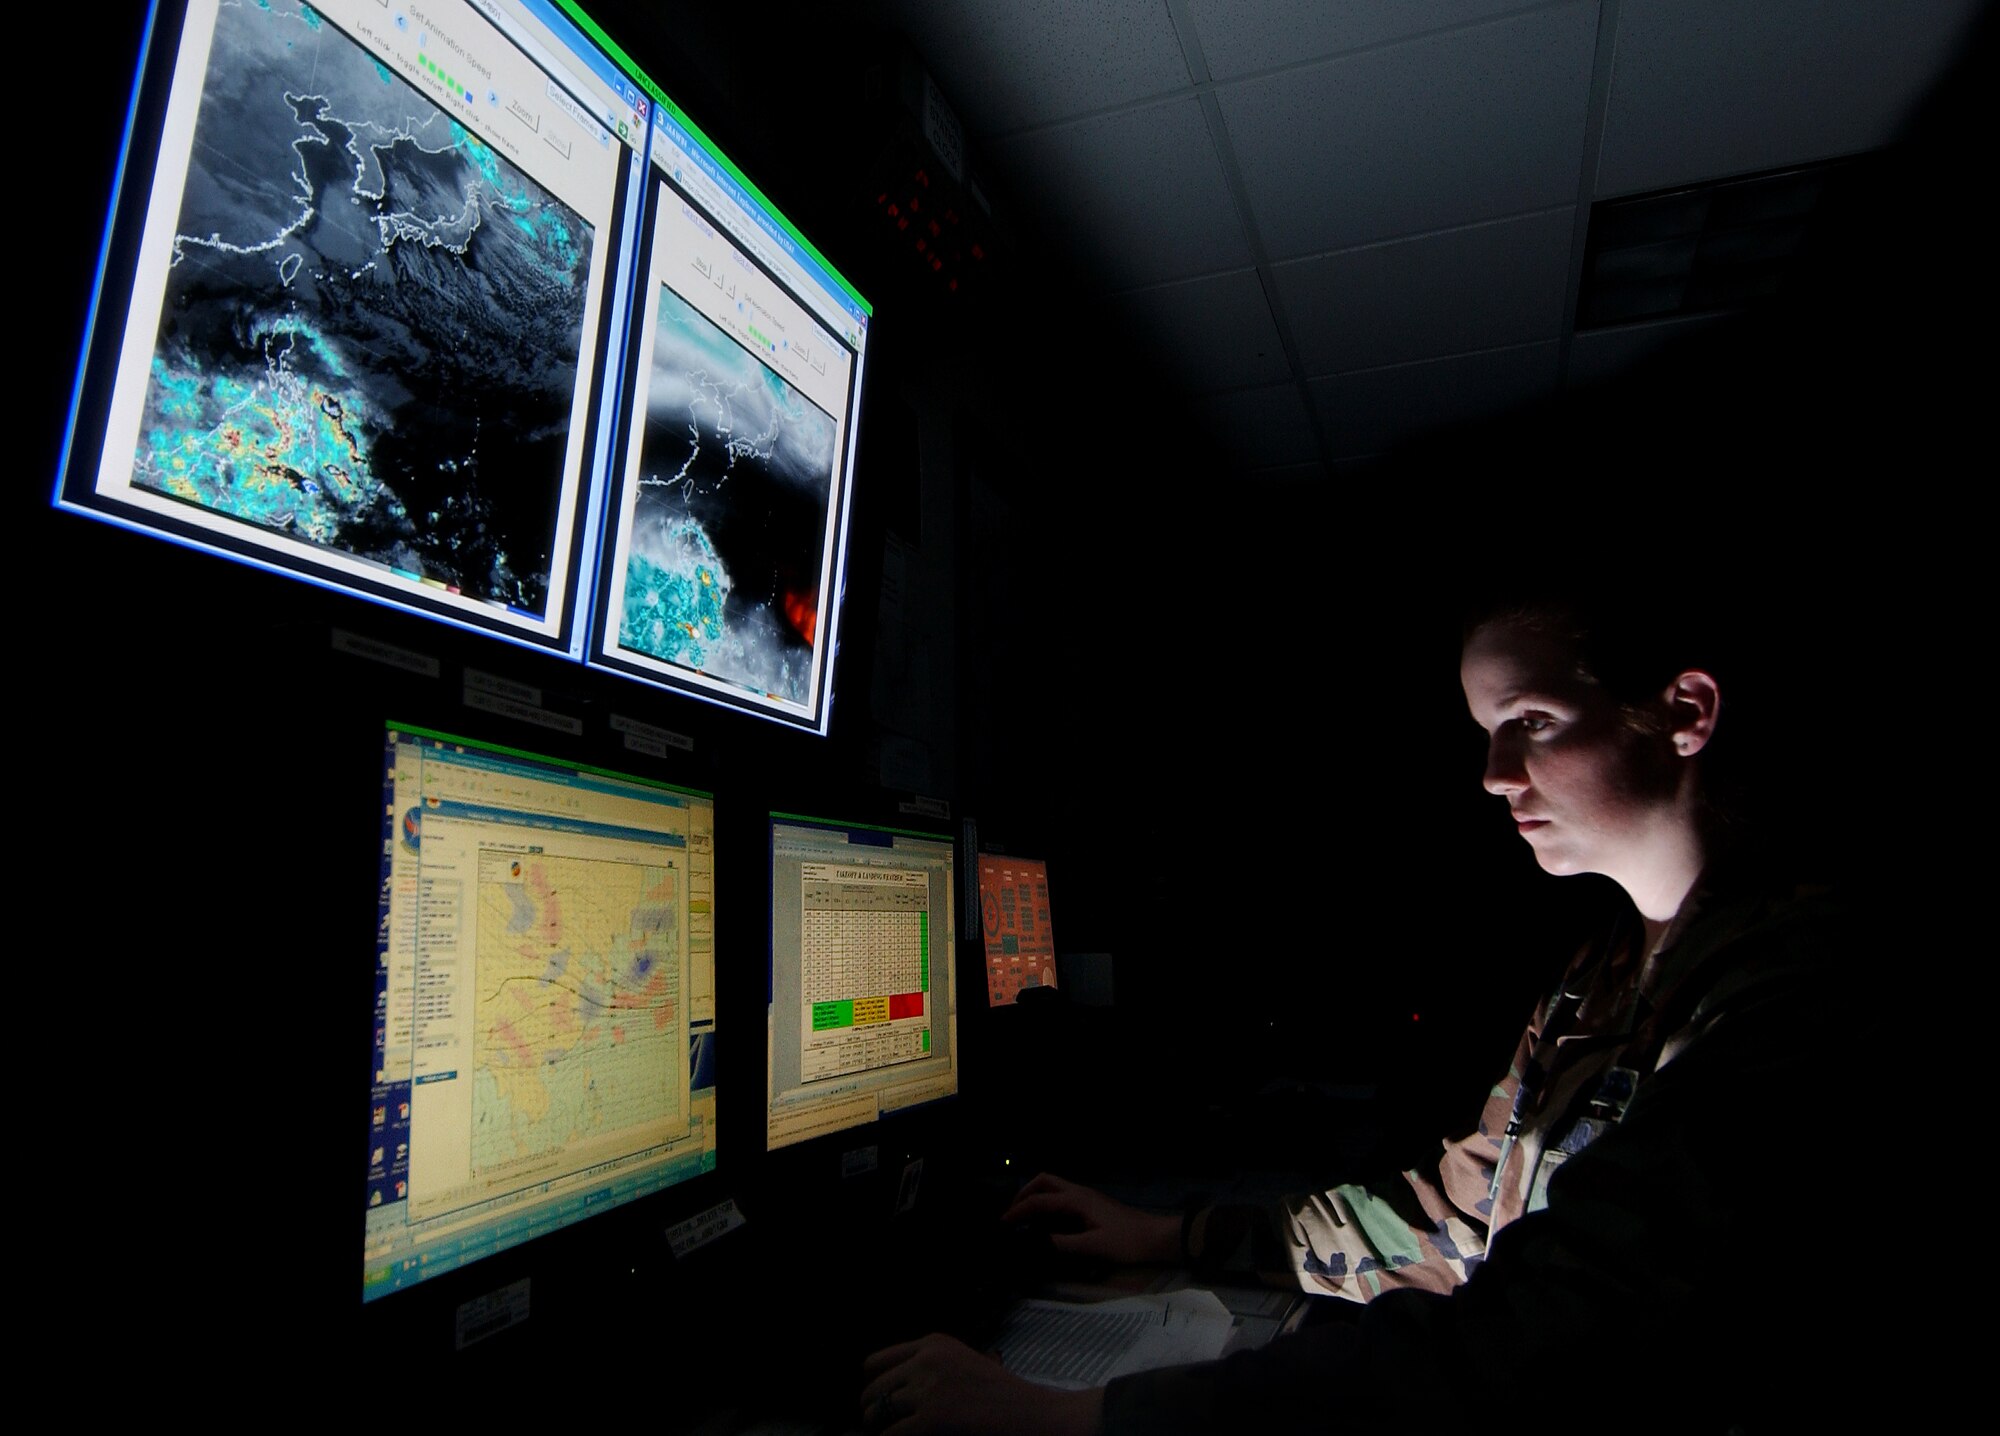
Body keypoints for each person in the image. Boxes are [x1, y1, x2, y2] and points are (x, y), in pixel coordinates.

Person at [858, 585, 1858, 1434]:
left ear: (1681, 710)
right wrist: (1175, 1234)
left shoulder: (1790, 988)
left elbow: (1519, 1344)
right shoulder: (1599, 972)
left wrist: (1072, 1416)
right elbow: (1450, 1219)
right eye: (1483, 733)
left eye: (1531, 720)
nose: (1494, 774)